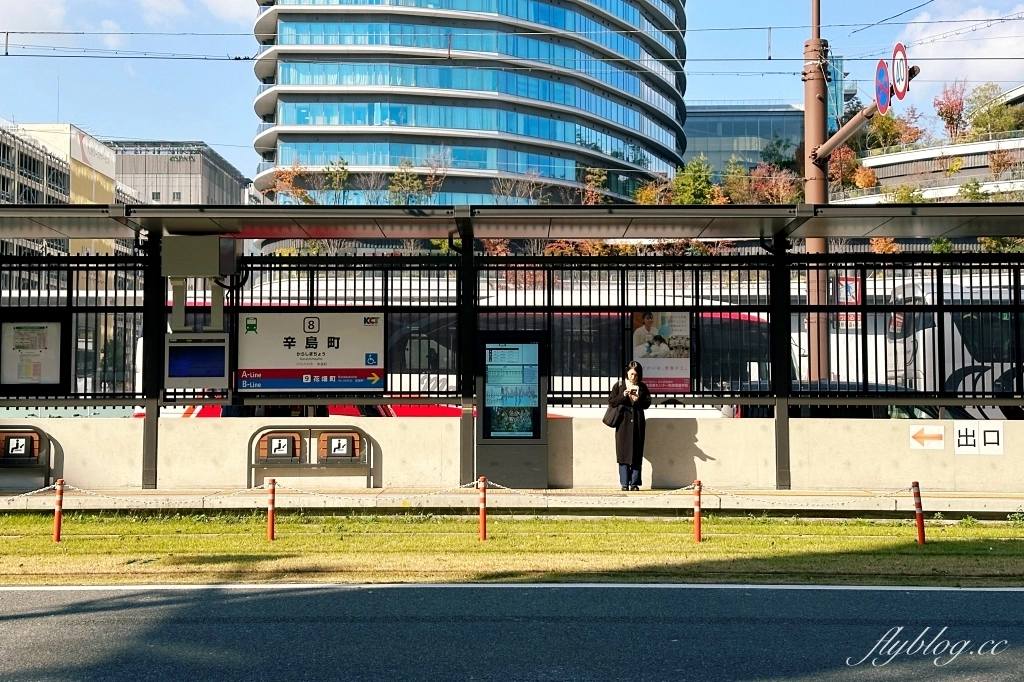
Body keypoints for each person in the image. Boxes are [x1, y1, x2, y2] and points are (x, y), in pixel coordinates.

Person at [608, 361, 651, 491]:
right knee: (623, 453)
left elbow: (647, 403)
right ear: (627, 373)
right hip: (623, 423)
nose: (633, 377)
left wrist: (638, 400)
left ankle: (634, 483)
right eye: (631, 374)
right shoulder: (619, 385)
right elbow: (612, 401)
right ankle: (624, 483)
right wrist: (623, 396)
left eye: (636, 375)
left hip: (637, 422)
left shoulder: (642, 387)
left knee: (637, 453)